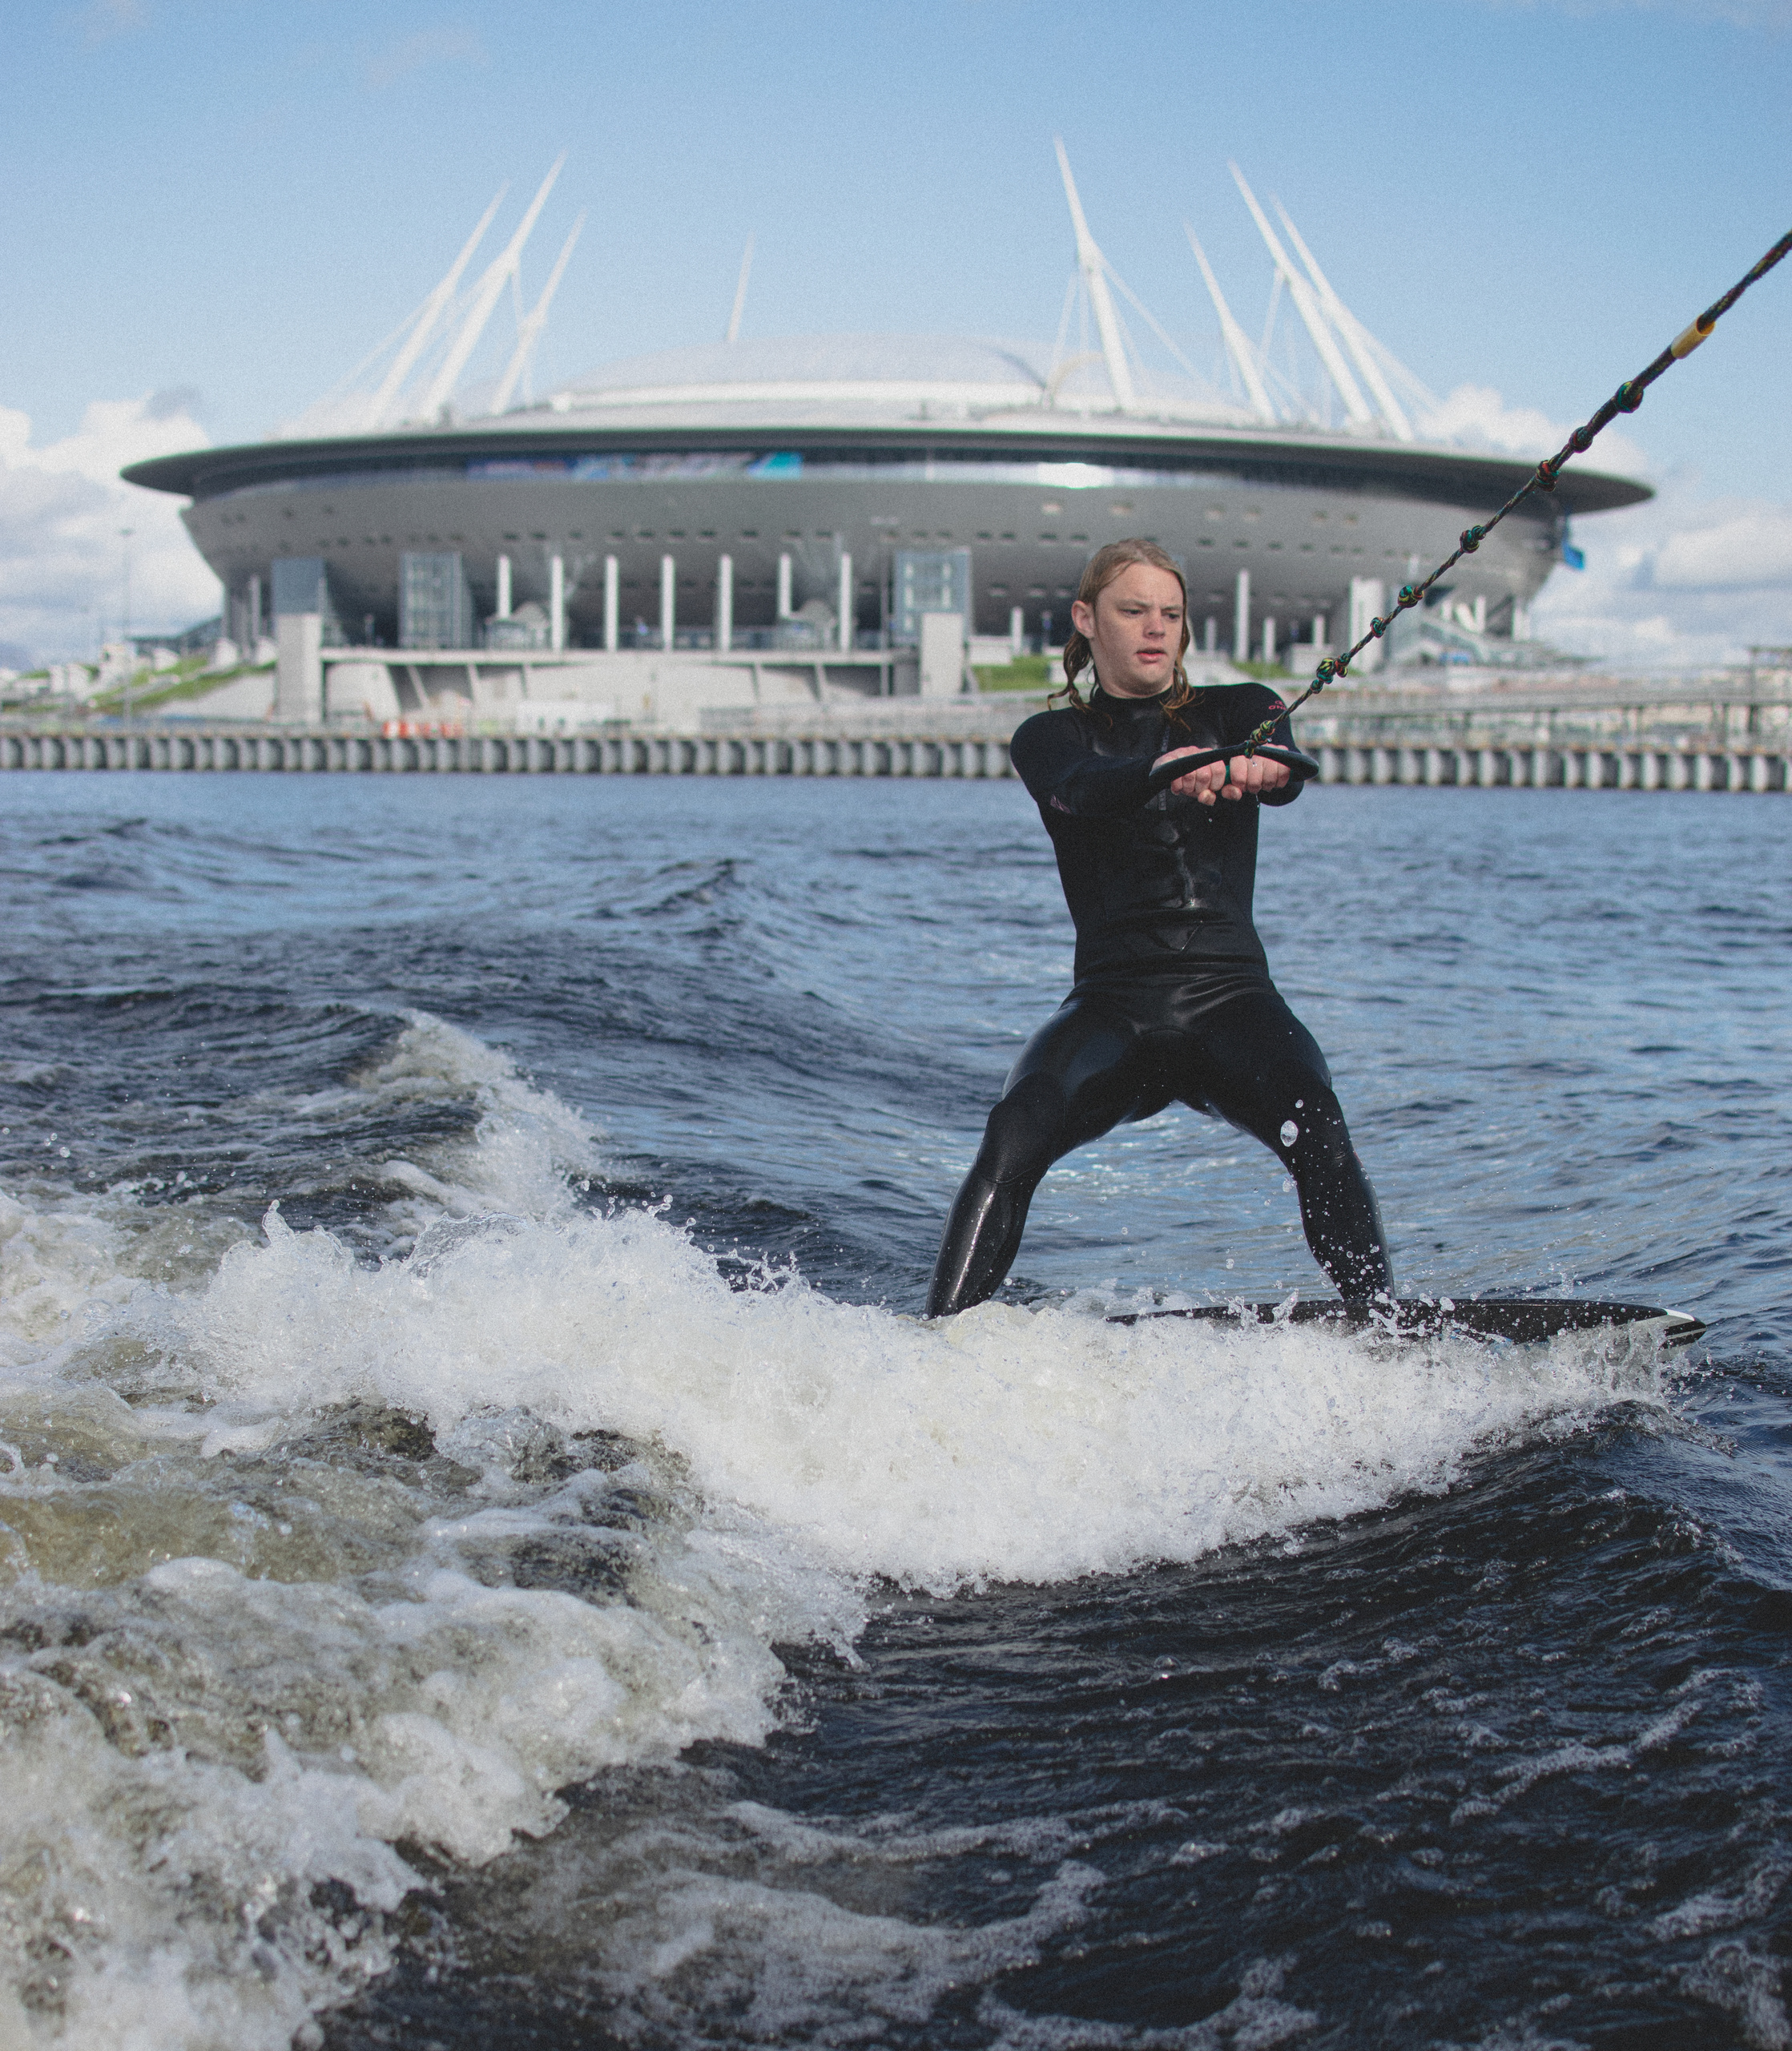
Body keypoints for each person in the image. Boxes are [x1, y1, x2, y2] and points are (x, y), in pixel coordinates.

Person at [925, 538, 1392, 1317]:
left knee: (1316, 1121)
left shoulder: (1238, 708)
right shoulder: (1049, 738)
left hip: (1230, 999)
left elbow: (1284, 760)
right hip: (1113, 1010)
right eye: (1132, 610)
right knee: (1016, 1127)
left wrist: (1265, 767)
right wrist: (1178, 768)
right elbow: (1084, 792)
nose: (1155, 628)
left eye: (1170, 614)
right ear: (1086, 620)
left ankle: (1385, 1329)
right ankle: (935, 1341)